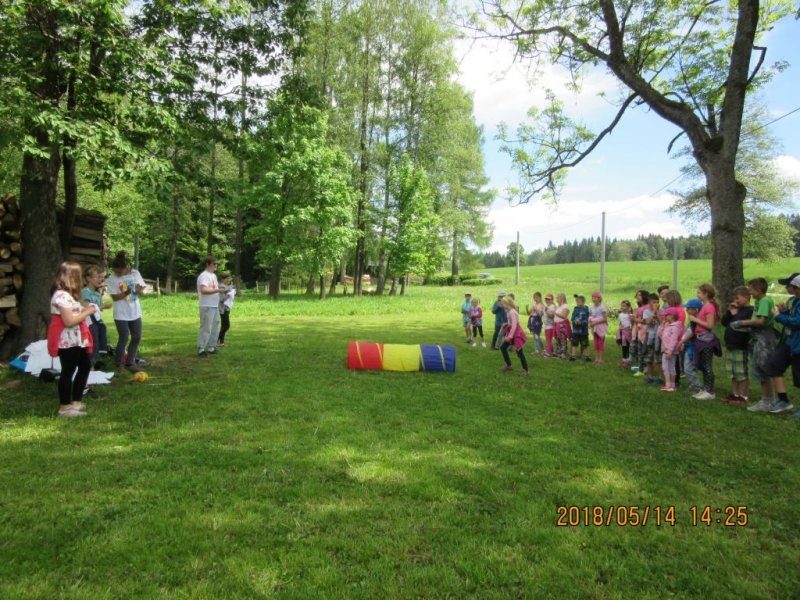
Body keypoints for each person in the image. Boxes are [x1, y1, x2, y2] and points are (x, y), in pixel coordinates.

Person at [50, 261, 97, 417]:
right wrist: (88, 312)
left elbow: (75, 311)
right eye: (78, 275)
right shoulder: (61, 295)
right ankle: (64, 407)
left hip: (77, 338)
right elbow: (69, 321)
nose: (80, 279)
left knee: (85, 366)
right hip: (67, 340)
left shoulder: (68, 295)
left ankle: (76, 401)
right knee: (68, 371)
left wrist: (86, 308)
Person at [761, 272, 800, 414]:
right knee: (774, 365)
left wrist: (778, 316)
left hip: (798, 345)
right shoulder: (794, 300)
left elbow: (797, 322)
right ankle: (783, 401)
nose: (786, 288)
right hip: (789, 342)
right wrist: (784, 312)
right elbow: (792, 317)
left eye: (788, 286)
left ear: (797, 287)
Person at [741, 278, 781, 412]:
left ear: (758, 290)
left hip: (765, 337)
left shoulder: (764, 301)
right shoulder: (760, 301)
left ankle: (767, 401)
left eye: (751, 290)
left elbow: (761, 321)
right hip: (760, 336)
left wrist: (743, 323)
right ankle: (768, 399)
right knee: (760, 366)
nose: (749, 292)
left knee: (762, 367)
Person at [106, 251, 145, 372]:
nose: (117, 274)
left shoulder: (135, 273)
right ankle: (119, 364)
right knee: (124, 337)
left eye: (119, 272)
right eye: (115, 271)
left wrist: (139, 290)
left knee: (136, 336)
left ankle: (130, 362)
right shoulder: (112, 278)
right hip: (121, 313)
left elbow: (141, 291)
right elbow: (114, 297)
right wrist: (127, 292)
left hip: (135, 311)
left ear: (125, 267)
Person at [720, 286, 754, 404]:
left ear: (746, 297)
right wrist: (730, 312)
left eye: (737, 298)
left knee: (741, 372)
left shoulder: (750, 311)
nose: (735, 301)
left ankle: (743, 396)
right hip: (731, 345)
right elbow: (724, 322)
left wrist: (735, 315)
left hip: (740, 346)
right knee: (733, 372)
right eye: (734, 298)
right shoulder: (736, 310)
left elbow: (744, 325)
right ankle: (735, 394)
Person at [687, 283, 721, 400]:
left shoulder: (709, 307)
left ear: (705, 294)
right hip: (701, 338)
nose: (697, 295)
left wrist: (695, 319)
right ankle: (706, 388)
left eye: (699, 293)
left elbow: (710, 325)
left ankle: (710, 391)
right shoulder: (705, 306)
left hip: (707, 340)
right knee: (702, 364)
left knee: (707, 366)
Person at [82, 264, 112, 368]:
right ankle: (89, 365)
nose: (100, 279)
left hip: (96, 320)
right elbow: (86, 308)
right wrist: (103, 306)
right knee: (93, 341)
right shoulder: (85, 292)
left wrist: (104, 306)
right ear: (88, 278)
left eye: (101, 277)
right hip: (89, 321)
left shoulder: (97, 293)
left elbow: (98, 309)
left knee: (97, 341)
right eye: (97, 277)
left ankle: (93, 363)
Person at [197, 256, 222, 357]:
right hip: (206, 305)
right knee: (206, 327)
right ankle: (201, 348)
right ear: (207, 264)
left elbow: (214, 288)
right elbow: (204, 290)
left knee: (215, 326)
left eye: (217, 264)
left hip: (214, 305)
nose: (216, 265)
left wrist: (223, 290)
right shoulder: (204, 276)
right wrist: (218, 290)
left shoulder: (214, 276)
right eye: (214, 264)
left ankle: (211, 347)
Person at [499, 296, 529, 376]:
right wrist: (507, 324)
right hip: (512, 332)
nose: (502, 305)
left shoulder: (512, 312)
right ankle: (509, 365)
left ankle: (525, 370)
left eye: (503, 303)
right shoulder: (508, 311)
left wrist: (509, 337)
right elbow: (511, 323)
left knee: (519, 352)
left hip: (516, 333)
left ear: (507, 303)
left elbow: (515, 325)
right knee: (503, 348)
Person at [680, 299, 703, 394]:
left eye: (689, 308)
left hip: (693, 348)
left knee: (688, 368)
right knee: (688, 368)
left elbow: (692, 333)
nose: (686, 310)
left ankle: (696, 386)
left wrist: (682, 341)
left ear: (696, 310)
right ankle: (693, 385)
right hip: (688, 346)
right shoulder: (692, 320)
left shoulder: (696, 321)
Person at [658, 307, 683, 391]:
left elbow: (673, 339)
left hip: (669, 350)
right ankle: (672, 385)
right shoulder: (667, 325)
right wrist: (662, 325)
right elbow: (659, 334)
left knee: (666, 367)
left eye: (666, 315)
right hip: (667, 349)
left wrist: (669, 350)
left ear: (672, 316)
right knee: (670, 367)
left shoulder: (675, 327)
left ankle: (668, 385)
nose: (664, 317)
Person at [588, 291, 608, 364]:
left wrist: (595, 322)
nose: (593, 299)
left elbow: (605, 319)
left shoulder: (602, 307)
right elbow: (590, 317)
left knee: (600, 343)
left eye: (595, 297)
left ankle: (601, 359)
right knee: (596, 344)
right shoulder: (591, 308)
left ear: (599, 298)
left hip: (601, 328)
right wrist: (591, 325)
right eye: (592, 297)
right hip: (594, 327)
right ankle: (596, 359)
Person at [217, 272, 236, 347]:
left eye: (229, 278)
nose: (228, 280)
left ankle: (221, 342)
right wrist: (229, 294)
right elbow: (221, 299)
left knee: (223, 325)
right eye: (227, 278)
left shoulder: (226, 286)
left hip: (227, 308)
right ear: (223, 279)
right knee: (227, 325)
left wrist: (232, 291)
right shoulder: (221, 287)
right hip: (223, 308)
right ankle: (216, 340)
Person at [569, 294, 590, 361]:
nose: (577, 303)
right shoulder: (575, 309)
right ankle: (573, 356)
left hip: (584, 331)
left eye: (579, 302)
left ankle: (586, 356)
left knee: (585, 344)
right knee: (574, 343)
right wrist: (575, 321)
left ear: (583, 302)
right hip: (576, 331)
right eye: (576, 302)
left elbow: (588, 319)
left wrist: (581, 322)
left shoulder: (586, 309)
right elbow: (572, 318)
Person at [553, 293, 571, 359]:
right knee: (558, 338)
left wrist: (555, 313)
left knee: (562, 338)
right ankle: (559, 352)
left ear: (562, 298)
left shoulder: (565, 306)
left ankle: (563, 353)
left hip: (562, 325)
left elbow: (564, 316)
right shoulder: (558, 306)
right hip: (557, 325)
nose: (556, 299)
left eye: (557, 297)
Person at [617, 300, 633, 367]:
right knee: (623, 346)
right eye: (622, 306)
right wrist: (619, 330)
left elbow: (632, 324)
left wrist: (629, 314)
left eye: (624, 306)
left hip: (628, 332)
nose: (622, 307)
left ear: (628, 307)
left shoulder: (630, 315)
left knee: (628, 346)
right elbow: (620, 323)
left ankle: (628, 360)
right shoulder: (620, 314)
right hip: (622, 332)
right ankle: (624, 359)